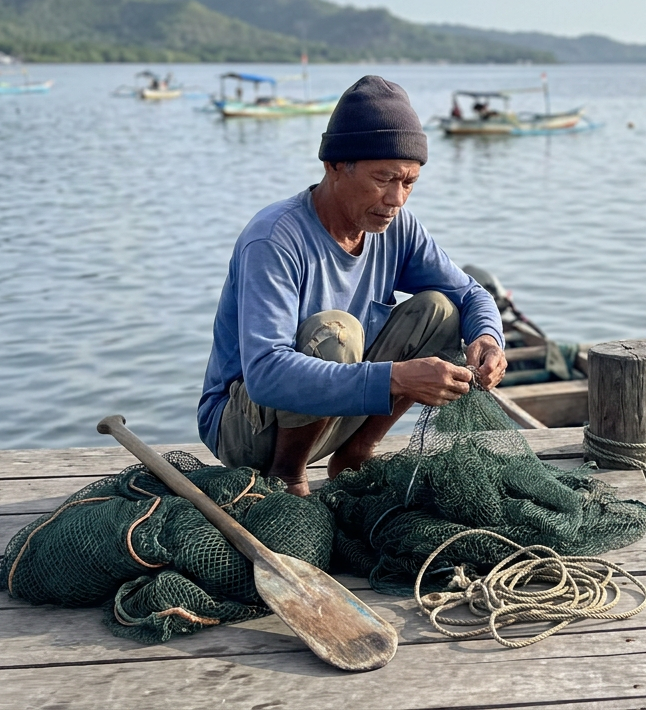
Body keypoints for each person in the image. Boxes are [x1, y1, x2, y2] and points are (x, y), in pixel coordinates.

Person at [198, 75, 507, 495]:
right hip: (247, 429)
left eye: (409, 182)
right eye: (384, 179)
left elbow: (471, 294)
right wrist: (396, 378)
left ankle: (357, 453)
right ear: (335, 166)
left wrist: (488, 339)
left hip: (337, 411)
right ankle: (289, 476)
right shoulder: (274, 238)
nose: (397, 199)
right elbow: (267, 374)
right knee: (337, 330)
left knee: (442, 310)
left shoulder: (399, 228)